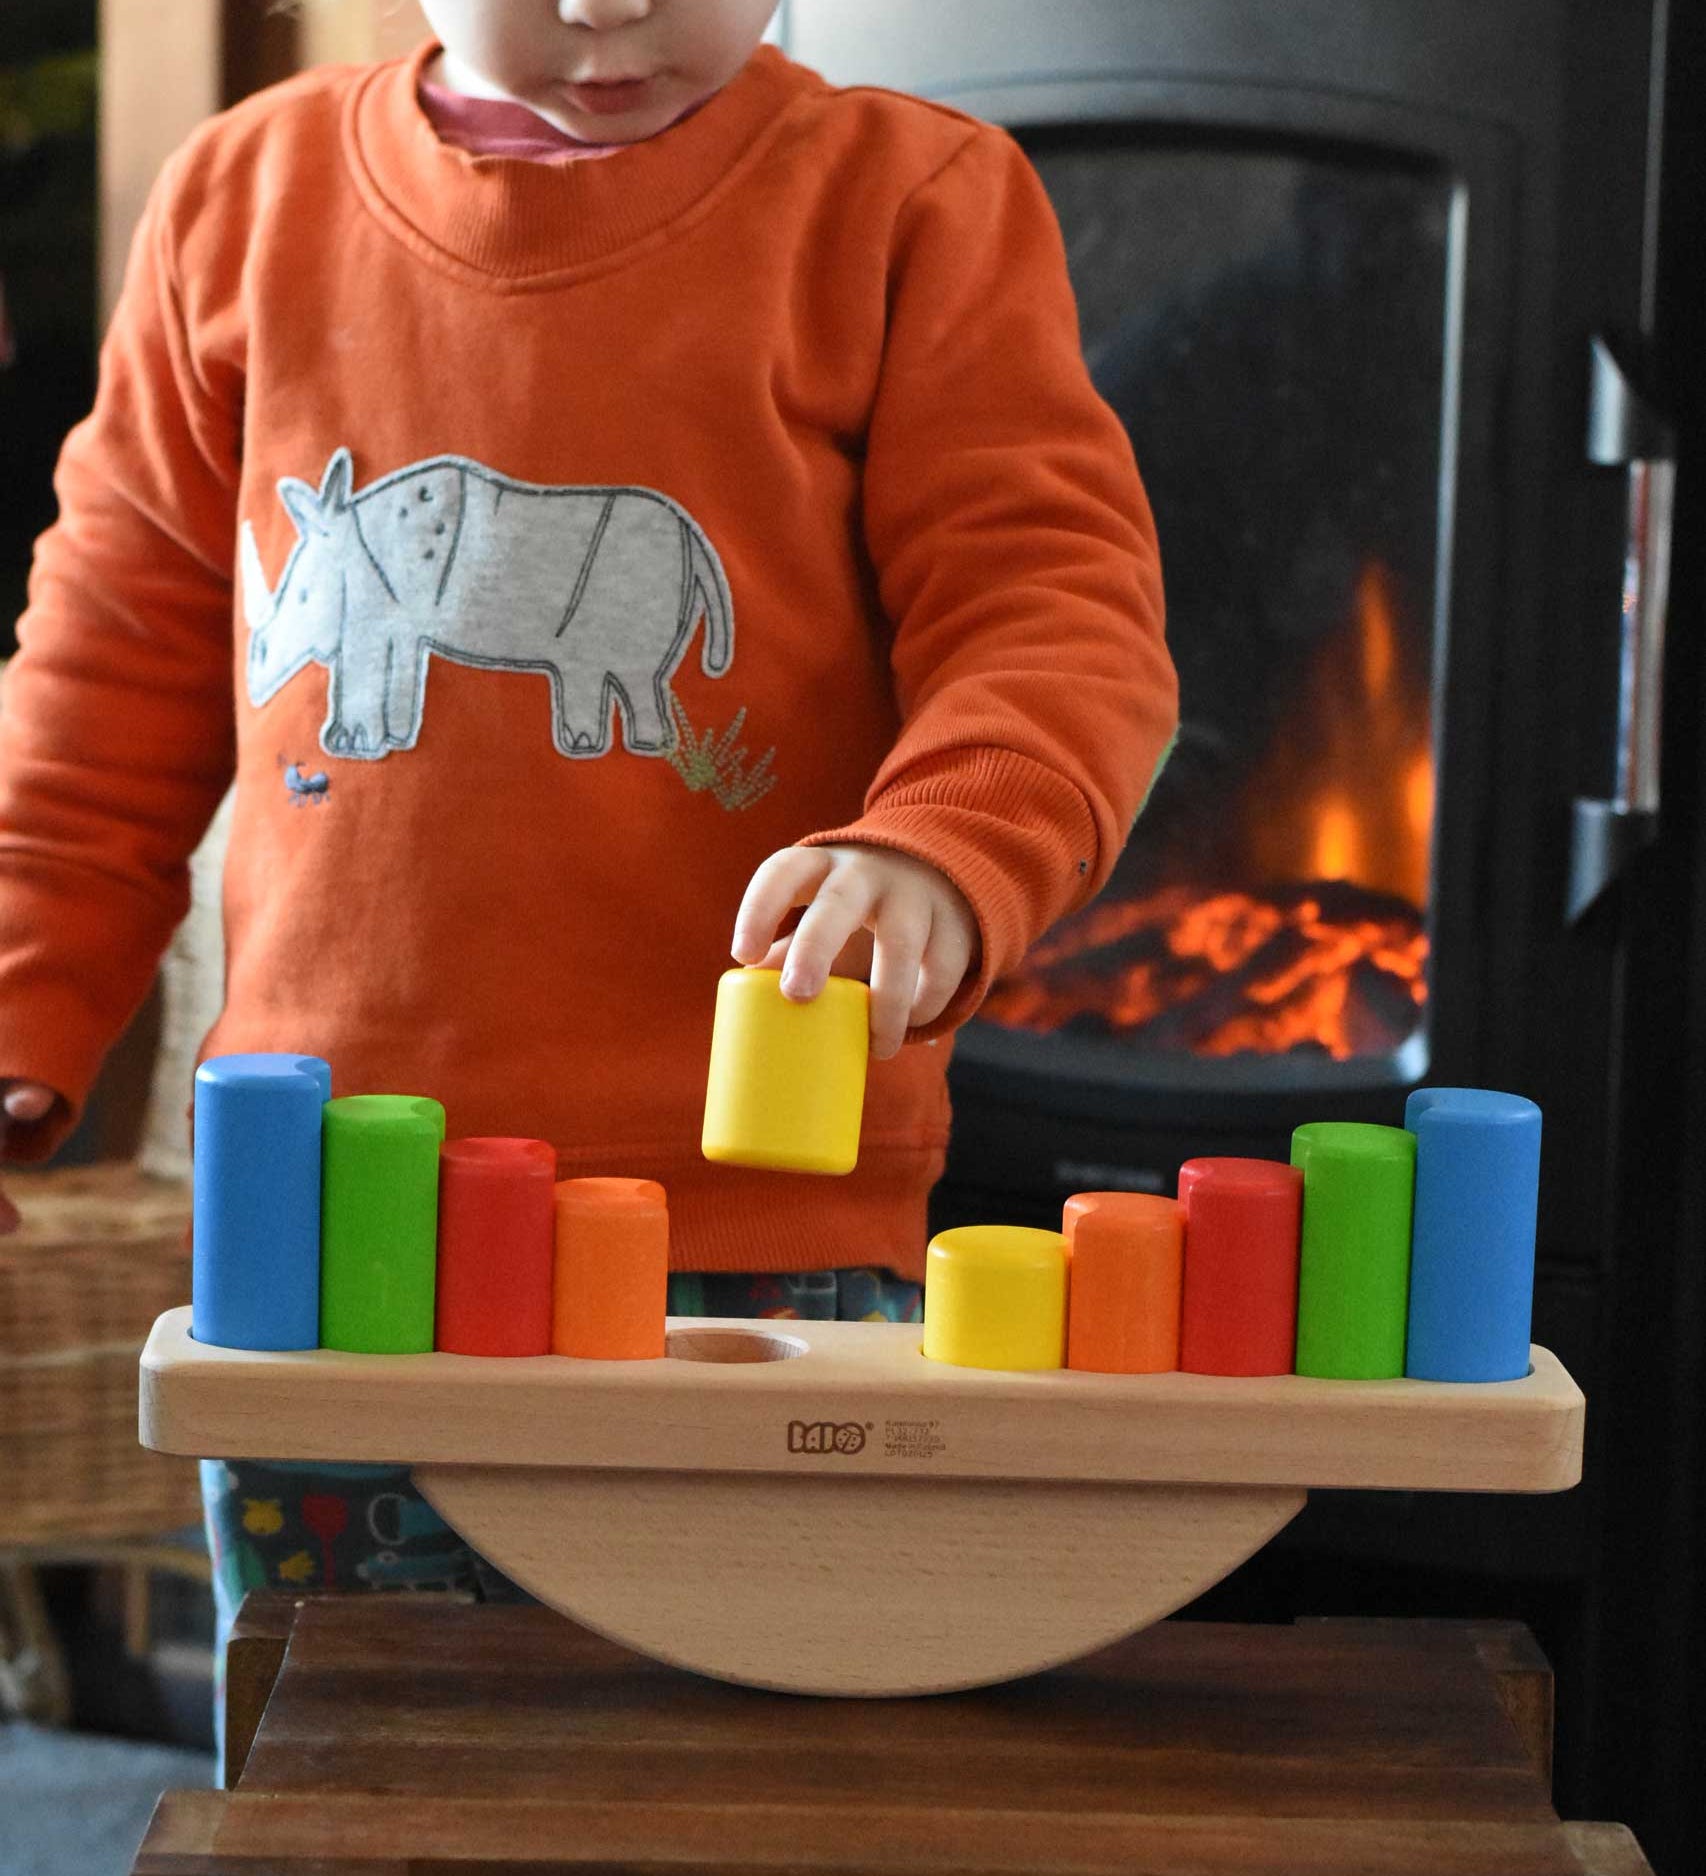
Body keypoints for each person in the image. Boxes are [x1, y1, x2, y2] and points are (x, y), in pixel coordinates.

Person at [0, 0, 1176, 1743]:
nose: (608, 3)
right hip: (329, 1237)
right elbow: (98, 690)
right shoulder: (235, 203)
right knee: (356, 1773)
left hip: (748, 1225)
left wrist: (944, 842)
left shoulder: (913, 201)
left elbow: (1052, 610)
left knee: (735, 1775)